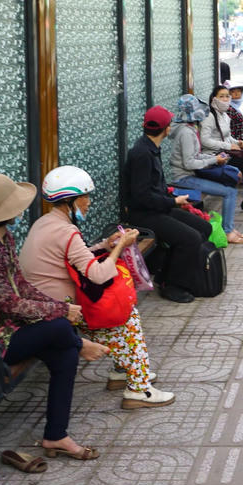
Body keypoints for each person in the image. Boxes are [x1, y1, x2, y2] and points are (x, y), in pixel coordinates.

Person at [0, 173, 109, 459]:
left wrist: (59, 308)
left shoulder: (1, 238)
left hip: (4, 328)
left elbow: (20, 284)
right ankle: (81, 344)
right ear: (6, 212)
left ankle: (56, 436)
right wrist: (60, 310)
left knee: (64, 354)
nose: (22, 210)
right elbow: (10, 304)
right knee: (60, 329)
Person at [20, 166, 175, 409]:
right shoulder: (66, 231)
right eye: (85, 197)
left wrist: (105, 244)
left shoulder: (46, 223)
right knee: (126, 316)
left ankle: (122, 371)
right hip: (60, 310)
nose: (89, 203)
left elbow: (78, 257)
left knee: (120, 316)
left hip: (48, 305)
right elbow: (99, 274)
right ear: (70, 200)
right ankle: (139, 389)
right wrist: (119, 245)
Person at [125, 106, 213, 303]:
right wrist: (172, 201)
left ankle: (166, 275)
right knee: (190, 238)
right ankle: (173, 285)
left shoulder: (150, 149)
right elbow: (141, 196)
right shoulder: (142, 154)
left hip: (158, 208)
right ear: (167, 129)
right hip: (144, 214)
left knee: (203, 227)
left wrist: (172, 201)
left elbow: (154, 188)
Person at [169, 94, 243, 244]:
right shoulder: (186, 132)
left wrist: (215, 160)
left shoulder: (189, 129)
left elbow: (195, 156)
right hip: (185, 178)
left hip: (191, 175)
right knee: (230, 192)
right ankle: (228, 231)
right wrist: (213, 160)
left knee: (231, 185)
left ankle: (229, 229)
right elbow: (189, 163)